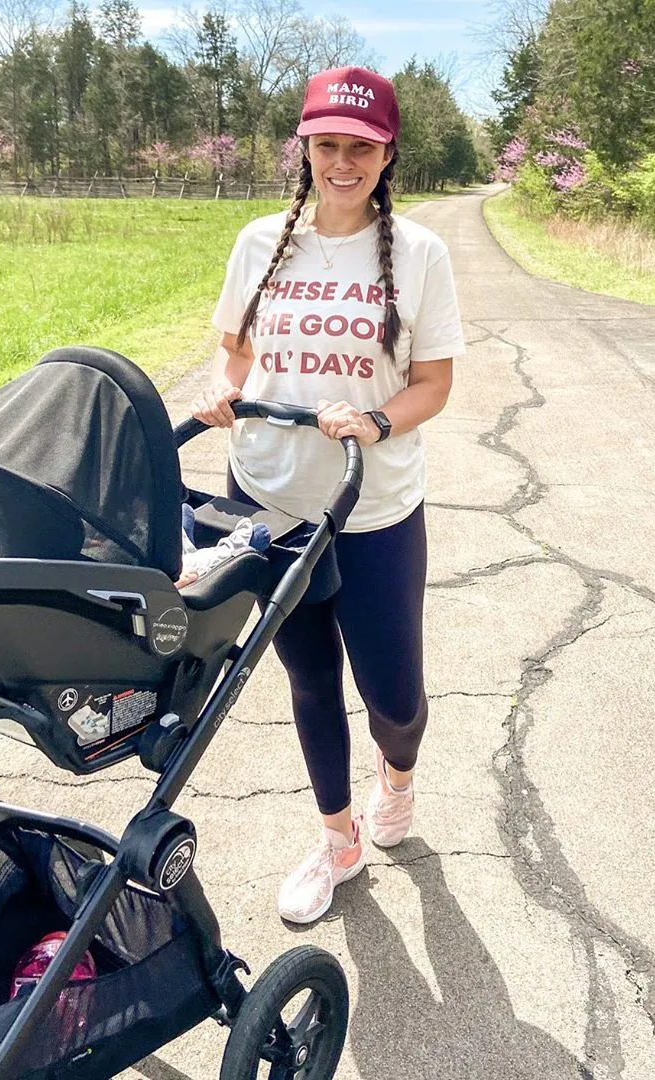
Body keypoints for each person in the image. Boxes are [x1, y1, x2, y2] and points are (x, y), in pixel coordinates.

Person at [191, 65, 466, 924]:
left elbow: (433, 385)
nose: (341, 162)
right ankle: (337, 840)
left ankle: (398, 772)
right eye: (326, 146)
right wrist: (218, 389)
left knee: (395, 697)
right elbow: (234, 355)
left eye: (360, 147)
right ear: (303, 149)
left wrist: (378, 422)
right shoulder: (257, 241)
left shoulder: (421, 255)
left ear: (387, 155)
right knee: (309, 680)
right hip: (269, 497)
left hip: (372, 509)